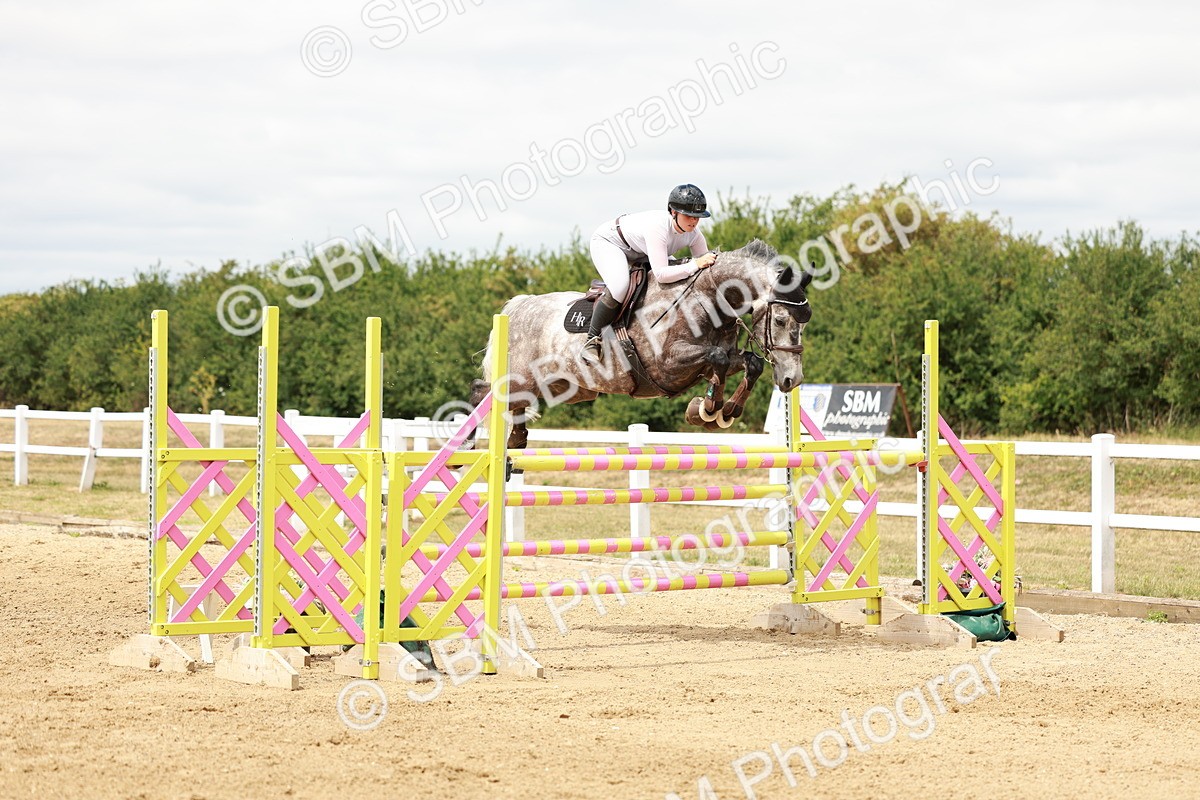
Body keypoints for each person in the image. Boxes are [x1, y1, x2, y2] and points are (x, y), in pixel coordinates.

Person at [580, 183, 718, 365]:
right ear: (673, 212)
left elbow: (703, 268)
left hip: (642, 249)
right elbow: (661, 274)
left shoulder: (694, 234)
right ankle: (592, 339)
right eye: (688, 215)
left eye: (697, 217)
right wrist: (694, 265)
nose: (693, 221)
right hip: (611, 243)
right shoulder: (659, 227)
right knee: (621, 286)